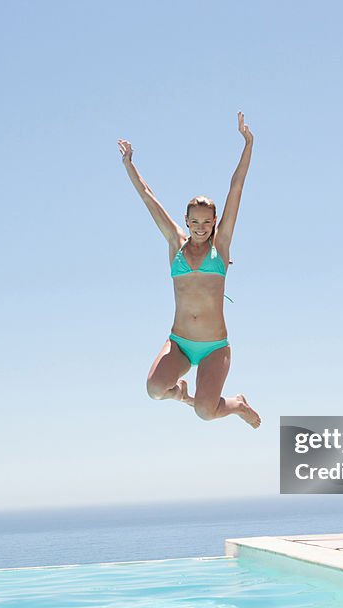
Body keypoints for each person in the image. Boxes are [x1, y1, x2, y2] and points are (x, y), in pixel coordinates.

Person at [118, 112, 261, 428]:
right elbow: (149, 199)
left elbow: (236, 188)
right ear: (186, 221)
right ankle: (180, 394)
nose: (200, 227)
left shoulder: (220, 248)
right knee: (155, 390)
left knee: (206, 411)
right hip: (179, 342)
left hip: (214, 346)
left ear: (214, 222)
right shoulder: (176, 245)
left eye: (206, 222)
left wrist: (248, 143)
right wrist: (130, 165)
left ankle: (236, 404)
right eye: (194, 221)